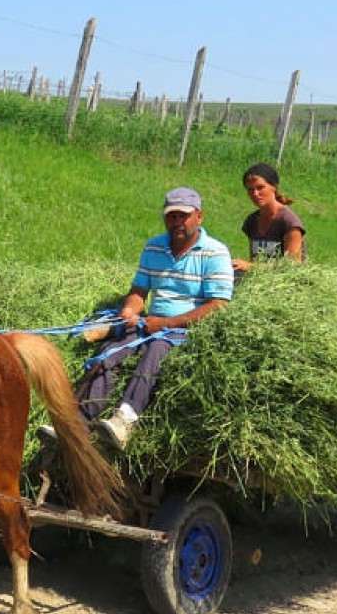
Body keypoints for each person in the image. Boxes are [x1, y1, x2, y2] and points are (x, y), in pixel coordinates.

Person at [76, 186, 234, 448]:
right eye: (171, 217)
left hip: (188, 328)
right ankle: (78, 421)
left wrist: (168, 323)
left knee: (157, 350)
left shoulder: (215, 253)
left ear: (199, 217)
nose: (177, 223)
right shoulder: (154, 247)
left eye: (183, 216)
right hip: (151, 322)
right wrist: (129, 310)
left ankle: (125, 419)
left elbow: (217, 305)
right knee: (111, 350)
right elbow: (139, 291)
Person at [231, 162, 305, 274]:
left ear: (274, 187)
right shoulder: (252, 221)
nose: (255, 194)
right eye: (250, 190)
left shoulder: (289, 222)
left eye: (260, 188)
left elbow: (292, 265)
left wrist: (250, 267)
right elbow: (255, 259)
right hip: (260, 279)